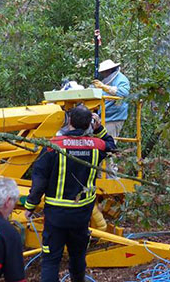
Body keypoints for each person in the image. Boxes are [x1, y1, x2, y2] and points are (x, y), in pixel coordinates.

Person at [24, 105, 116, 282]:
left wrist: (30, 206)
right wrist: (99, 129)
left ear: (69, 121)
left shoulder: (53, 146)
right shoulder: (96, 146)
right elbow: (111, 145)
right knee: (77, 257)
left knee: (51, 260)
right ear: (89, 123)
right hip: (81, 216)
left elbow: (40, 181)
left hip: (56, 217)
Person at [91, 59, 130, 139]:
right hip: (103, 117)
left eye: (104, 72)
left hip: (114, 117)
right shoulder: (106, 81)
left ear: (109, 70)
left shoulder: (121, 79)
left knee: (108, 142)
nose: (103, 74)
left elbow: (124, 93)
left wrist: (105, 87)